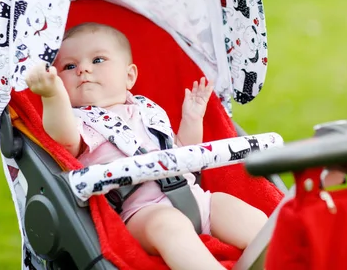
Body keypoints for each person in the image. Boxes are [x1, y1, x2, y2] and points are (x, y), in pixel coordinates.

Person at [25, 22, 268, 270]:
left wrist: (192, 119)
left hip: (196, 198)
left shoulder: (148, 110)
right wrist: (53, 96)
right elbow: (63, 138)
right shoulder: (80, 120)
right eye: (69, 66)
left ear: (129, 76)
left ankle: (285, 259)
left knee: (249, 217)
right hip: (141, 213)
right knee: (170, 227)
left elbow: (183, 152)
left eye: (98, 60)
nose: (83, 69)